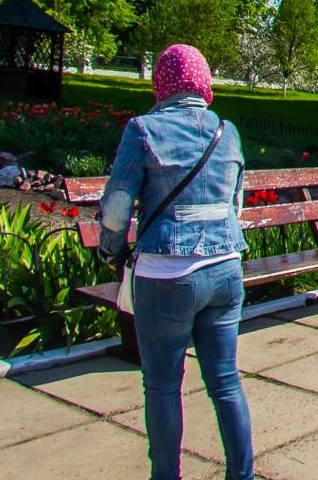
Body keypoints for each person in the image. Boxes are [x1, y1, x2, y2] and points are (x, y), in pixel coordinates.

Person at [99, 44, 253, 480]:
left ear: (161, 82)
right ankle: (241, 475)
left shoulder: (143, 129)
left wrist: (110, 249)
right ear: (203, 81)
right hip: (225, 270)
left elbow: (116, 207)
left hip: (167, 275)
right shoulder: (228, 131)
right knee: (225, 381)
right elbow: (234, 206)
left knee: (163, 385)